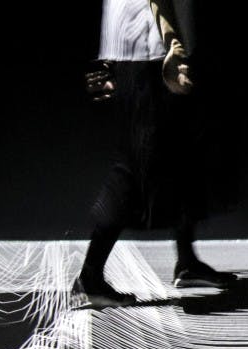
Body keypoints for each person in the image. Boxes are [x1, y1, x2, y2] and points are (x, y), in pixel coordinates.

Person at [72, 0, 237, 308]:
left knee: (182, 154)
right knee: (135, 166)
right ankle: (89, 277)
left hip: (144, 45)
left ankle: (187, 262)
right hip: (152, 49)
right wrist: (174, 44)